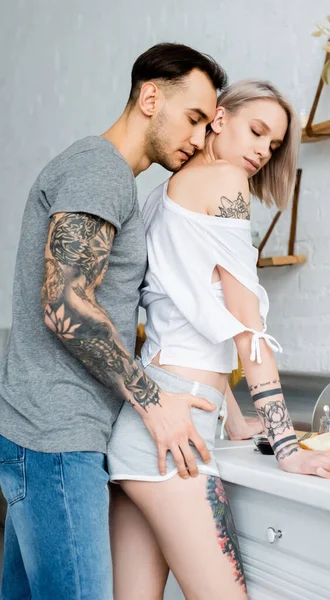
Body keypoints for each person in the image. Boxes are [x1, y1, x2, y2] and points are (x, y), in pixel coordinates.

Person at [108, 79, 330, 600]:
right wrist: (288, 448)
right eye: (256, 131)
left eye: (272, 146)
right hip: (175, 437)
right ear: (220, 118)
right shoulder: (225, 182)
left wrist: (233, 415)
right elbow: (247, 325)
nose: (260, 151)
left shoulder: (165, 194)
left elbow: (187, 325)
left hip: (143, 427)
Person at [0, 43, 227, 600]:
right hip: (58, 438)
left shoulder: (111, 178)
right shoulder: (99, 168)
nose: (198, 139)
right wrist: (157, 405)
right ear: (151, 97)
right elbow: (65, 306)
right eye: (194, 118)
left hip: (50, 435)